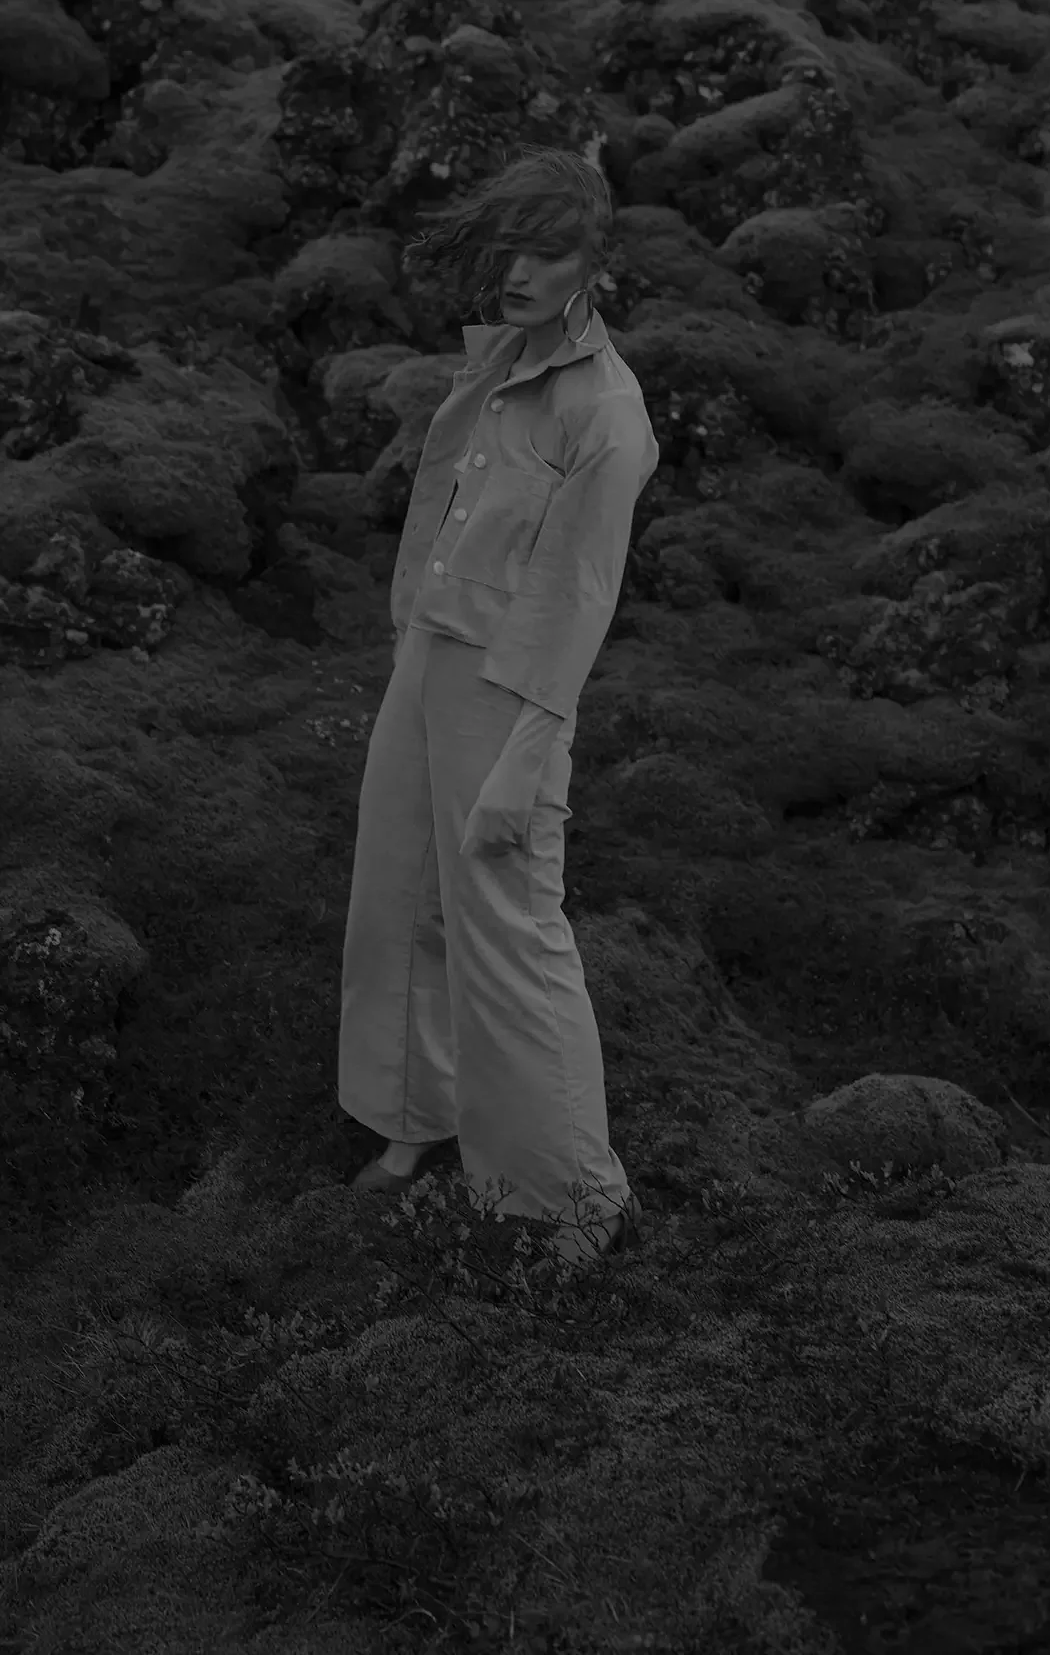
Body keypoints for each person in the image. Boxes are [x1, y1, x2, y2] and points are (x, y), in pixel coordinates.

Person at [337, 145, 661, 1271]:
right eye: (508, 246)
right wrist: (407, 641)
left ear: (593, 263)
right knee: (399, 887)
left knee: (511, 926)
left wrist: (529, 757)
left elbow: (573, 602)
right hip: (431, 654)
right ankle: (414, 1115)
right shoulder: (501, 362)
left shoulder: (605, 414)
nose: (519, 271)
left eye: (550, 250)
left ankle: (566, 1195)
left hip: (509, 688)